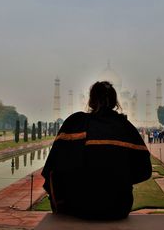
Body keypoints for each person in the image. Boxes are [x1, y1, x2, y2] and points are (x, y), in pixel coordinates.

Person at [42, 81, 152, 220]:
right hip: (117, 207)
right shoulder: (125, 127)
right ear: (114, 101)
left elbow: (53, 168)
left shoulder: (76, 122)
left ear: (91, 100)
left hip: (78, 206)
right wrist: (119, 179)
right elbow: (144, 171)